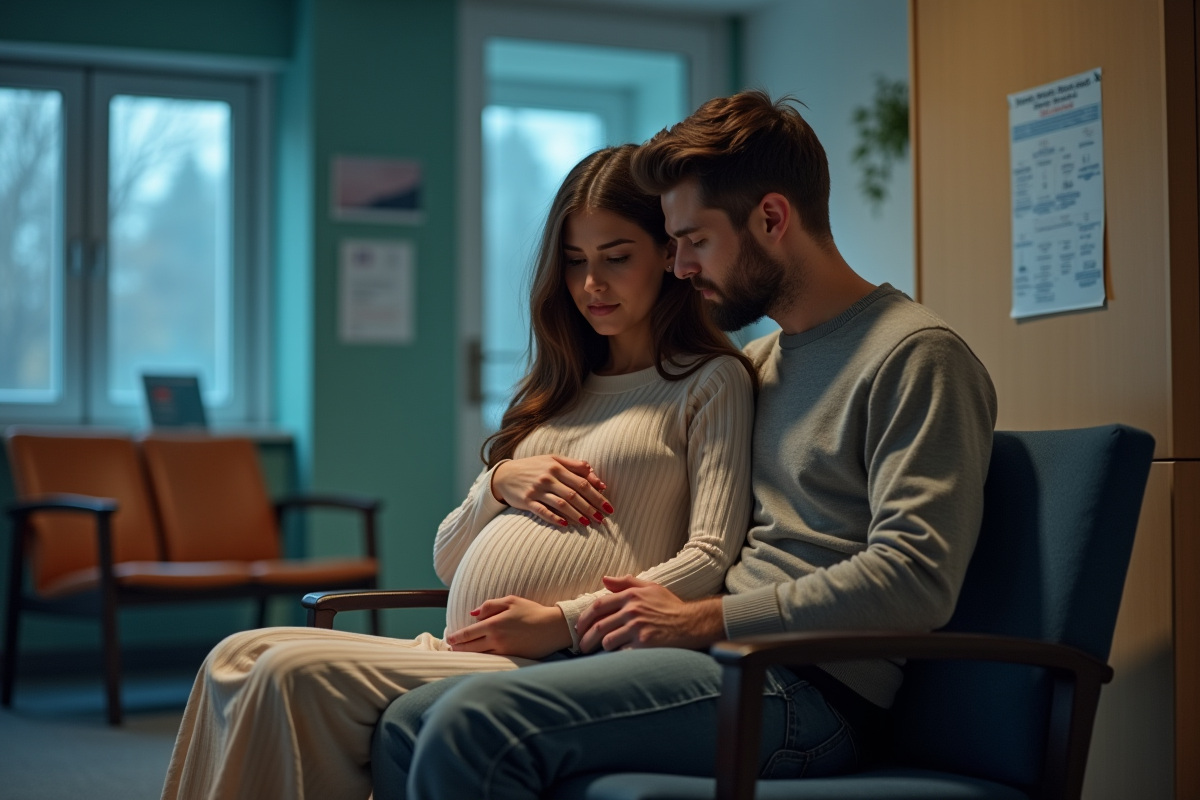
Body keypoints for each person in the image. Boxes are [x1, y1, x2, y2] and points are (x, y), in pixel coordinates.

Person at [371, 90, 999, 799]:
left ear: (770, 218)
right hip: (718, 656)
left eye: (695, 241)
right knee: (410, 720)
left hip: (809, 690)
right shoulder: (761, 366)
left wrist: (706, 617)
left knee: (469, 727)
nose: (680, 268)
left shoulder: (916, 356)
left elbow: (915, 580)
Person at [159, 144, 757, 800]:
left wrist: (565, 621)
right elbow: (447, 559)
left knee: (287, 674)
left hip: (562, 662)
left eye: (616, 258)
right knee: (232, 657)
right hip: (462, 644)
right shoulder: (555, 392)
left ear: (669, 257)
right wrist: (499, 483)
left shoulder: (709, 383)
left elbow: (709, 556)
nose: (591, 285)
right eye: (574, 262)